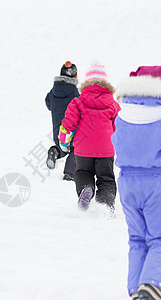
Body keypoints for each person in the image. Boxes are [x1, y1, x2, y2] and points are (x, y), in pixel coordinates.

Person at [111, 65, 161, 300]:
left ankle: (136, 291)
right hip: (154, 184)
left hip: (126, 183)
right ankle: (152, 287)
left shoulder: (121, 116)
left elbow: (117, 147)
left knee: (137, 239)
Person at [59, 63, 120, 212]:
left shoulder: (78, 102)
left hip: (83, 148)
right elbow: (120, 127)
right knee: (106, 178)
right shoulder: (113, 104)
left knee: (83, 173)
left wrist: (63, 143)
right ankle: (105, 206)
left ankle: (86, 189)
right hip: (106, 149)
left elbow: (68, 125)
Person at [45, 61, 80, 181]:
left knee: (61, 147)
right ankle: (69, 174)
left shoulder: (54, 91)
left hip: (57, 128)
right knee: (75, 149)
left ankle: (54, 151)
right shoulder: (75, 93)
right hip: (71, 128)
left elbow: (48, 103)